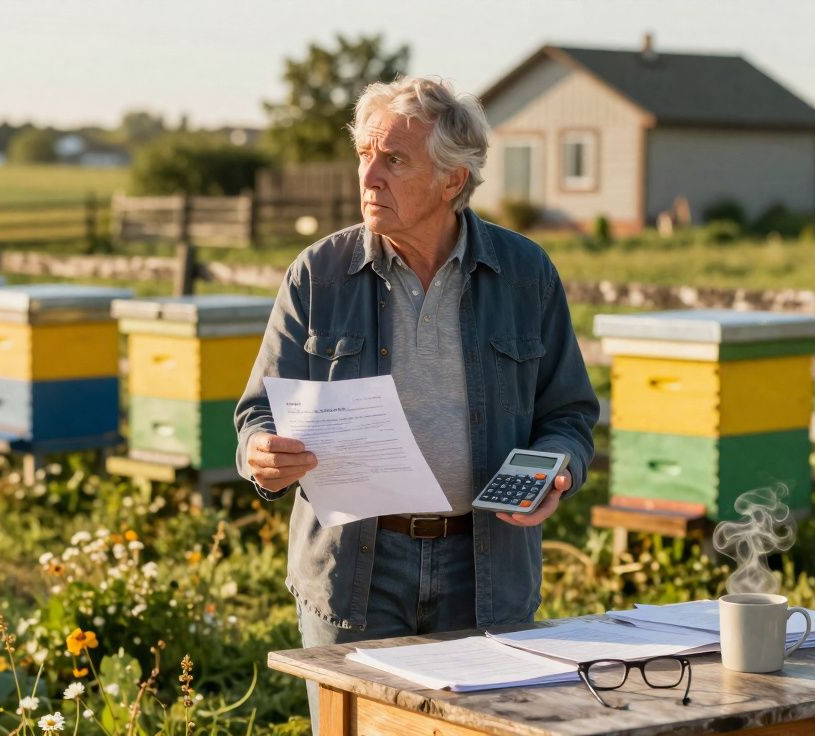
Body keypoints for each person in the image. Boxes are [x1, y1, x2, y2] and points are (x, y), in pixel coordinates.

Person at [233, 76, 598, 731]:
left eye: (394, 160)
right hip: (355, 571)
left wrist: (556, 468)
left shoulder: (526, 274)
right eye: (364, 155)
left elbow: (568, 415)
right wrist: (259, 453)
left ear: (452, 181)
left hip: (485, 568)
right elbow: (258, 414)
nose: (368, 176)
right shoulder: (317, 274)